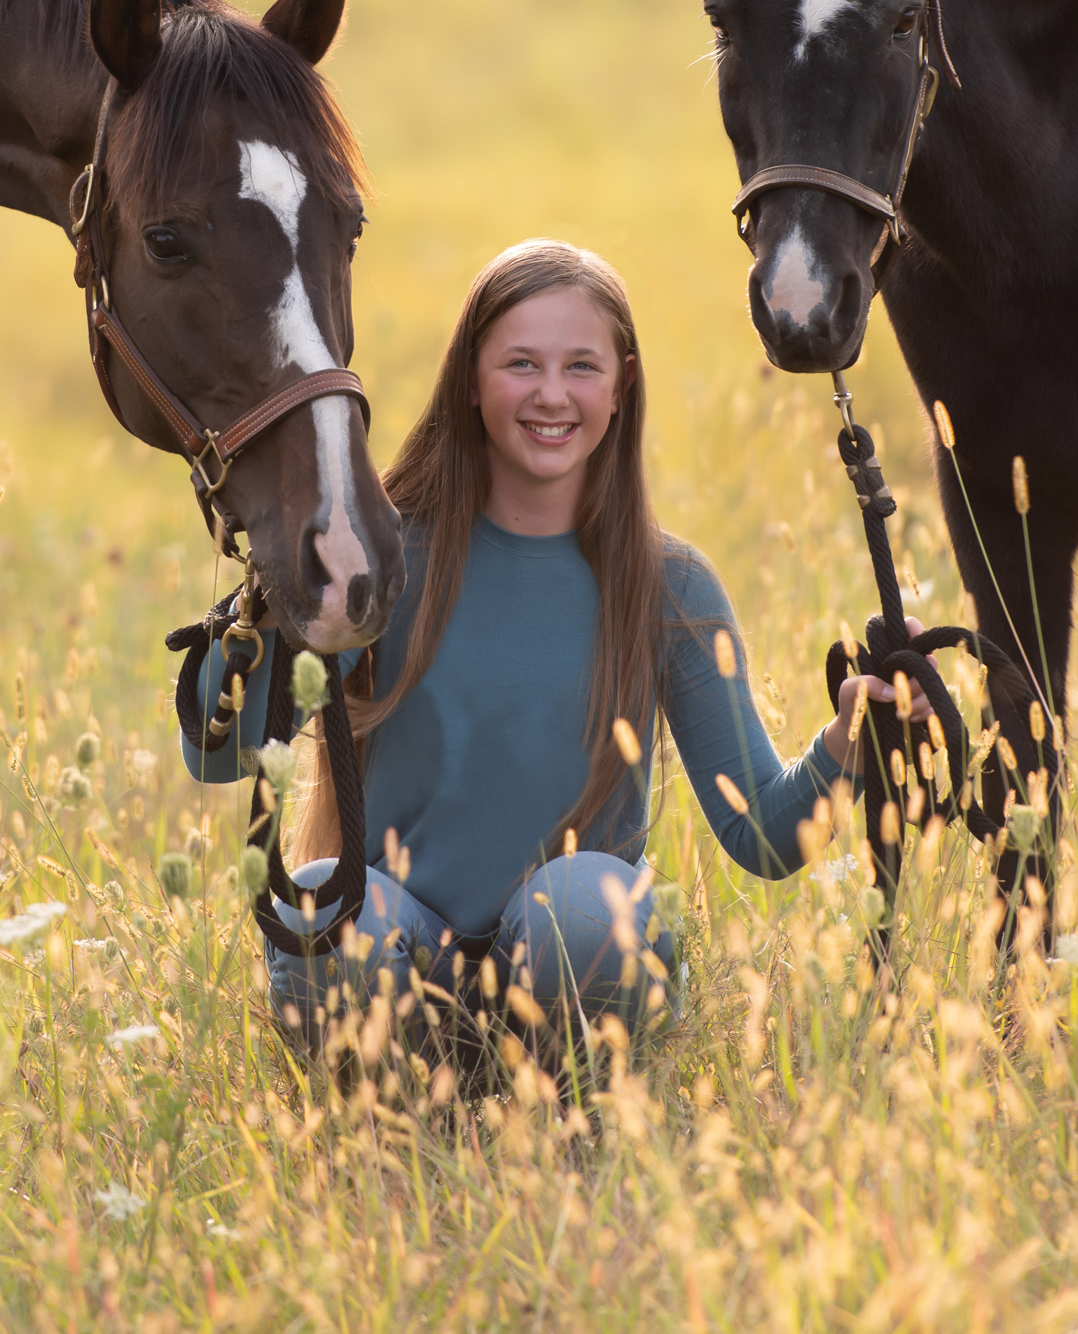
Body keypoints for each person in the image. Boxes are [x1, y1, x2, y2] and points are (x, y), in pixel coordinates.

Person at [180, 239, 923, 1052]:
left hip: (571, 974)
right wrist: (258, 605)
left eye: (581, 367)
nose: (552, 395)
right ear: (470, 378)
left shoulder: (668, 585)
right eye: (521, 364)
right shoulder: (383, 557)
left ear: (621, 387)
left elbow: (766, 837)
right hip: (401, 963)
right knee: (315, 899)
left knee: (586, 909)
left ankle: (562, 1106)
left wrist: (850, 734)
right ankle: (397, 1124)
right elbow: (217, 761)